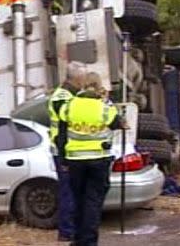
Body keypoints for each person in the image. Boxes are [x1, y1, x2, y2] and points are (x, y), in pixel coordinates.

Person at [58, 73, 125, 246]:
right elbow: (119, 123)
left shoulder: (68, 106)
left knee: (78, 200)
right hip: (99, 160)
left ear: (82, 86)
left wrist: (63, 161)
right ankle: (89, 242)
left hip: (74, 161)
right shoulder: (104, 108)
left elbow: (61, 136)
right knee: (93, 203)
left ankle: (78, 239)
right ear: (99, 87)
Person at [47, 61, 87, 242]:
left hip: (71, 151)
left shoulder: (72, 95)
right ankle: (66, 231)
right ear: (78, 79)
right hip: (62, 151)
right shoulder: (61, 98)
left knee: (74, 191)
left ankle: (72, 228)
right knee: (68, 193)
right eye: (83, 78)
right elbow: (64, 129)